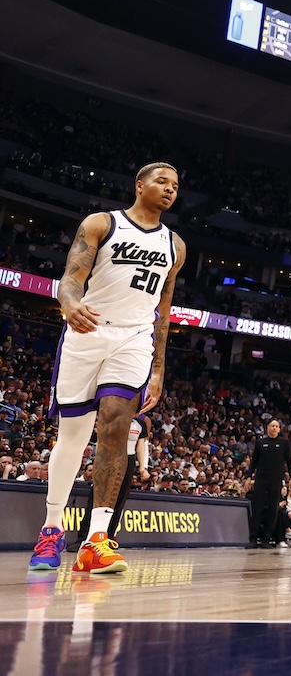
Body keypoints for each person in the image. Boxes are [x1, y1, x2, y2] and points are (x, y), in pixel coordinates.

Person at [29, 163, 185, 574]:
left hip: (135, 340)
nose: (169, 190)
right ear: (139, 185)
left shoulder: (176, 245)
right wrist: (68, 304)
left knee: (116, 428)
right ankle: (50, 529)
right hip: (88, 330)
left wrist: (159, 368)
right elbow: (69, 278)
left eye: (175, 186)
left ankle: (96, 540)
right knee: (73, 439)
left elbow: (164, 310)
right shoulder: (102, 223)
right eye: (161, 182)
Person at [245, 420, 291, 548]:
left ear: (279, 429)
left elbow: (289, 462)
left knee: (273, 509)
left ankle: (266, 539)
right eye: (272, 426)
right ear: (268, 428)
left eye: (276, 426)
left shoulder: (284, 443)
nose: (274, 428)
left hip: (276, 480)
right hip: (261, 479)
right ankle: (253, 539)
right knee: (257, 508)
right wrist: (249, 477)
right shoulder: (261, 442)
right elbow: (254, 461)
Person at [105, 414, 152, 543]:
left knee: (120, 499)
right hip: (111, 457)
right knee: (102, 495)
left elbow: (140, 446)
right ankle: (85, 535)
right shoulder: (115, 418)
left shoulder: (140, 424)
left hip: (129, 460)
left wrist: (143, 467)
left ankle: (110, 536)